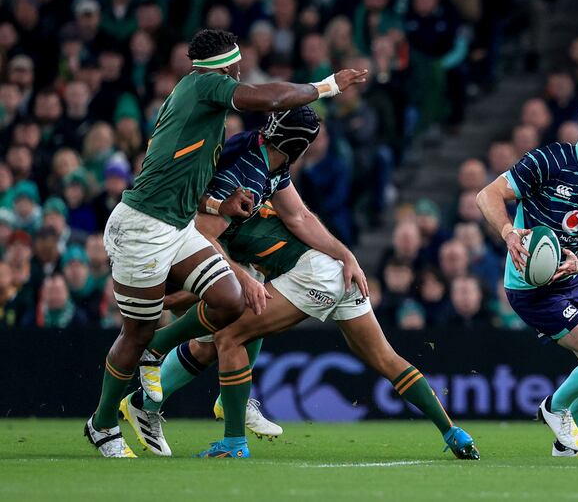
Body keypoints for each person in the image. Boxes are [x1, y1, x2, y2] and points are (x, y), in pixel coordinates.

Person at [118, 108, 478, 460]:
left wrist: (347, 255)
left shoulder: (261, 167)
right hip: (317, 272)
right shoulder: (244, 175)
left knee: (229, 335)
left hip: (314, 272)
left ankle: (230, 437)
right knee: (383, 358)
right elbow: (211, 234)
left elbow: (297, 217)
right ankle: (452, 431)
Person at [85, 28, 367, 458]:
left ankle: (156, 358)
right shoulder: (204, 85)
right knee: (136, 332)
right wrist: (325, 86)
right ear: (227, 65)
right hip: (142, 226)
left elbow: (181, 175)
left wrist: (218, 203)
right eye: (236, 65)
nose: (240, 71)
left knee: (231, 299)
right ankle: (104, 424)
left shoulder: (201, 101)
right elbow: (269, 98)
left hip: (176, 225)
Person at [476, 102, 578, 458]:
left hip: (568, 275)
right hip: (531, 284)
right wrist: (508, 232)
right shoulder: (548, 161)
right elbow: (487, 195)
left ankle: (566, 446)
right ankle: (554, 408)